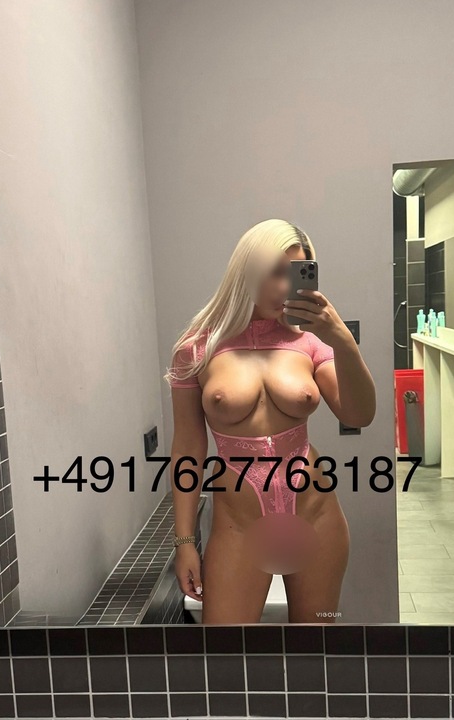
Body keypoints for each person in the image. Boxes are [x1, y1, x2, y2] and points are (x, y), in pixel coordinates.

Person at [164, 218, 376, 624]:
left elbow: (360, 414)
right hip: (238, 526)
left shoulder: (309, 343)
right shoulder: (196, 349)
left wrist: (342, 340)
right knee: (226, 651)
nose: (284, 287)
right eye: (276, 272)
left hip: (316, 516)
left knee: (315, 645)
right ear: (248, 269)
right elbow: (188, 448)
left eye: (294, 274)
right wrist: (185, 540)